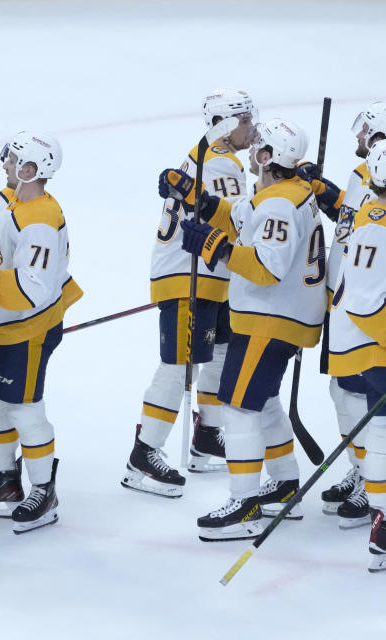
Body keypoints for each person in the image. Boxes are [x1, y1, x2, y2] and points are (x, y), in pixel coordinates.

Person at [163, 118, 326, 541]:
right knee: (265, 400)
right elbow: (239, 217)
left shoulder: (279, 205)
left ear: (270, 157)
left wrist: (213, 247)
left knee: (238, 408)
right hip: (277, 318)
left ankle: (245, 503)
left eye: (261, 146)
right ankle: (286, 484)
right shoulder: (283, 194)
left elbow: (266, 267)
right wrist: (196, 197)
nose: (253, 148)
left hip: (269, 321)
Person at [121, 89, 258, 499]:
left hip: (210, 279)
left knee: (218, 354)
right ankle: (142, 455)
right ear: (228, 123)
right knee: (179, 367)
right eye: (247, 120)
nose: (253, 127)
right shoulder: (220, 162)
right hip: (189, 279)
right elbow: (236, 222)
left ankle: (206, 436)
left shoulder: (205, 156)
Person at [0, 130, 82, 533]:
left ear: (29, 169)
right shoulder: (8, 200)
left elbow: (31, 290)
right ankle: (6, 483)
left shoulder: (41, 219)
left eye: (11, 159)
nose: (4, 163)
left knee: (24, 409)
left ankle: (44, 489)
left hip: (28, 328)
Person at [298, 103, 386, 528]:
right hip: (343, 302)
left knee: (370, 398)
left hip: (369, 310)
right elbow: (347, 222)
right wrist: (322, 190)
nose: (357, 137)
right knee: (343, 392)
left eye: (364, 130)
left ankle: (376, 485)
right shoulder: (362, 175)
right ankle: (362, 472)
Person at [328, 139, 386, 572]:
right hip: (373, 343)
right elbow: (366, 302)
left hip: (369, 341)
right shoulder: (376, 224)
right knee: (379, 424)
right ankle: (381, 522)